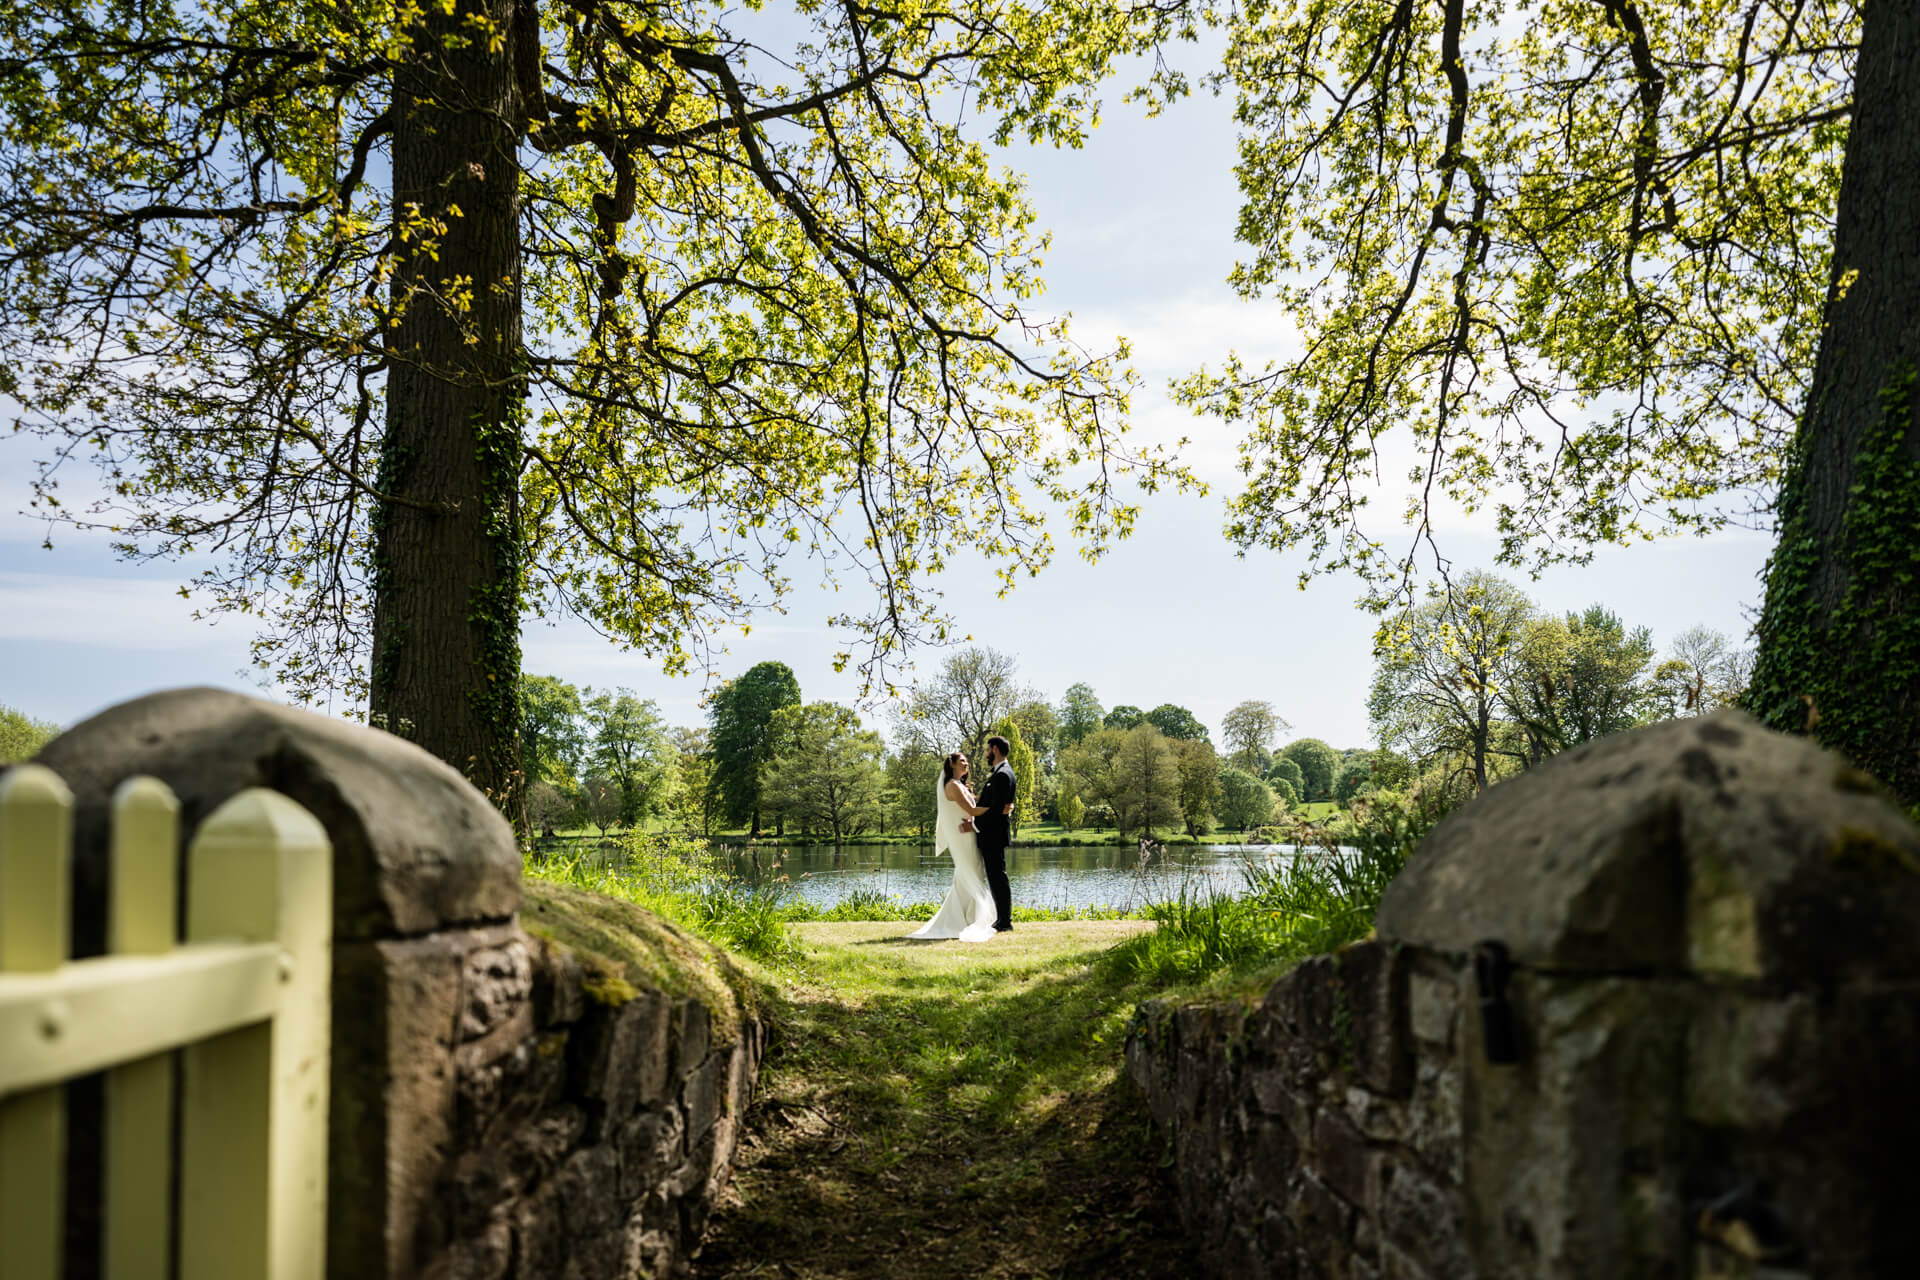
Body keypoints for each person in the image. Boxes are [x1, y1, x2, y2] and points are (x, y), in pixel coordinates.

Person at [906, 751, 998, 942]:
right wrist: (999, 809)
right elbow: (972, 810)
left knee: (971, 875)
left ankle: (968, 918)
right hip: (963, 837)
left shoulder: (960, 785)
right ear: (952, 765)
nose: (966, 764)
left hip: (969, 834)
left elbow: (972, 811)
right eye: (962, 762)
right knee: (970, 873)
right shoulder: (952, 786)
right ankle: (960, 920)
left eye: (966, 762)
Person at [971, 734, 1018, 932]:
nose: (986, 753)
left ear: (996, 749)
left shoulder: (1002, 775)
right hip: (992, 834)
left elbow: (996, 809)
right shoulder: (1000, 773)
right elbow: (993, 805)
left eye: (988, 750)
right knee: (997, 876)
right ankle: (1002, 919)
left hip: (993, 835)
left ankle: (1005, 921)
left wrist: (973, 823)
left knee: (998, 877)